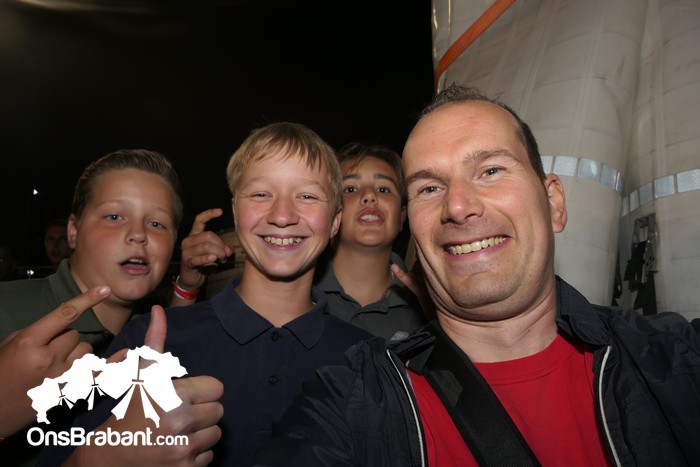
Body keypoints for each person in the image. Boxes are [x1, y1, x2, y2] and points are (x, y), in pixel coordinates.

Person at [253, 85, 700, 466]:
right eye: (430, 187)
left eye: (490, 171)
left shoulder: (676, 360)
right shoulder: (352, 398)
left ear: (554, 203)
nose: (458, 206)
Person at [45, 122, 372, 466]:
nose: (281, 216)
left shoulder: (368, 360)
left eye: (307, 196)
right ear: (235, 211)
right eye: (261, 194)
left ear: (335, 220)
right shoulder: (148, 342)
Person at [0, 148, 183, 465]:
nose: (138, 234)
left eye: (157, 223)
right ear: (73, 231)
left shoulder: (157, 339)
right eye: (114, 217)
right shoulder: (6, 310)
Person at [313, 142, 426, 340]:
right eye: (350, 189)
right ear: (330, 213)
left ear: (402, 216)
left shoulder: (427, 309)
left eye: (383, 189)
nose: (369, 196)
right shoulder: (295, 292)